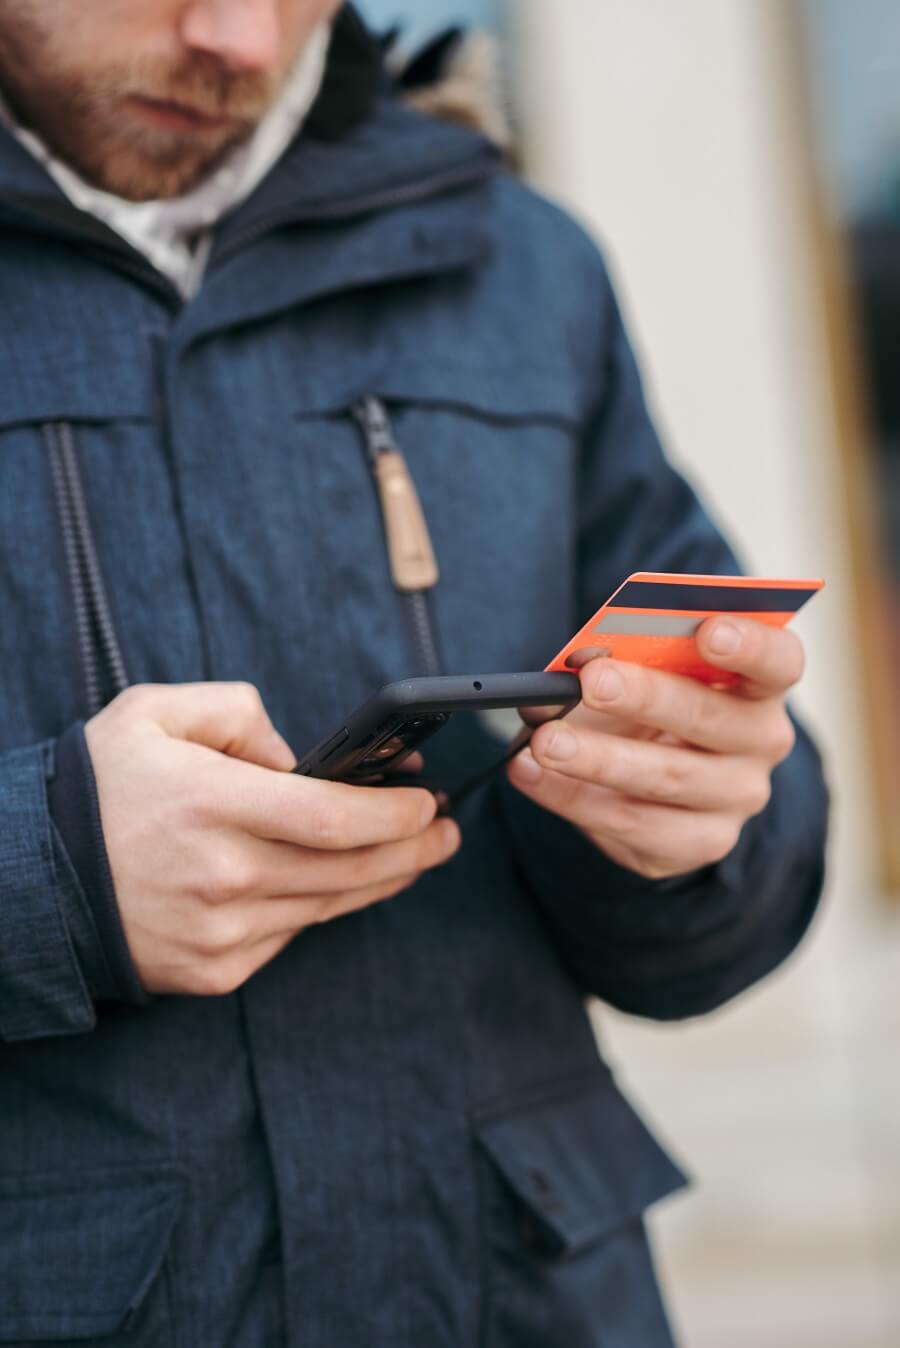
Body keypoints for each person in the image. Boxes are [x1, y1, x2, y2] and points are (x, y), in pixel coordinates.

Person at [0, 4, 828, 1345]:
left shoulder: (521, 263)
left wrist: (693, 835)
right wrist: (50, 884)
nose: (241, 44)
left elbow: (748, 886)